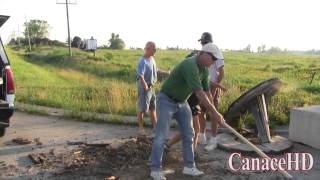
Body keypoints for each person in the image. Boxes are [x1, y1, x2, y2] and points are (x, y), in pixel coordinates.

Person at [150, 43, 225, 180]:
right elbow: (199, 92)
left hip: (181, 101)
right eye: (213, 59)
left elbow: (207, 92)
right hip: (166, 99)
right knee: (161, 135)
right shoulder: (190, 65)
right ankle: (155, 169)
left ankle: (189, 167)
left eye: (215, 60)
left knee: (189, 132)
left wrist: (214, 111)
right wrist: (215, 113)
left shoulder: (204, 69)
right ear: (204, 54)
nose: (214, 62)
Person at [197, 33, 226, 151]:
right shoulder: (203, 52)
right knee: (200, 111)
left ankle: (213, 139)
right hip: (203, 87)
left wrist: (214, 89)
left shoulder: (216, 53)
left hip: (212, 87)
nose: (202, 44)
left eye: (202, 41)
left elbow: (221, 73)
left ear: (206, 41)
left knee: (214, 114)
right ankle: (202, 135)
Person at [136, 41, 169, 136]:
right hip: (145, 88)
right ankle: (141, 129)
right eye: (153, 49)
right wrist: (145, 85)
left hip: (152, 88)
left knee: (152, 108)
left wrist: (167, 72)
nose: (155, 50)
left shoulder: (152, 59)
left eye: (155, 49)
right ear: (147, 48)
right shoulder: (142, 60)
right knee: (142, 108)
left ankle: (156, 127)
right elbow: (140, 75)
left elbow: (156, 70)